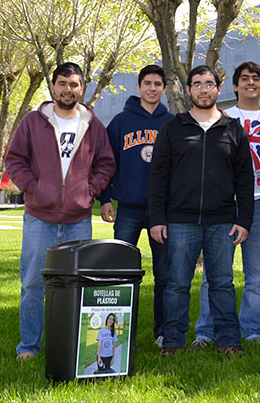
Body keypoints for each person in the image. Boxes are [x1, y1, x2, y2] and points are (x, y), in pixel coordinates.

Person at [4, 62, 117, 360]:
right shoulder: (33, 122)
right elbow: (14, 159)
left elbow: (106, 164)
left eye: (74, 84)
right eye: (63, 83)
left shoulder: (93, 125)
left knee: (77, 284)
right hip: (39, 217)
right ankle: (28, 346)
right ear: (53, 87)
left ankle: (72, 345)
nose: (69, 89)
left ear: (82, 88)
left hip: (79, 219)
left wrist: (89, 190)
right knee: (32, 283)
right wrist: (34, 187)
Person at [148, 65, 254, 357]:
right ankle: (172, 343)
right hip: (180, 221)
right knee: (176, 285)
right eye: (197, 84)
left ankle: (228, 342)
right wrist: (157, 218)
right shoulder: (173, 128)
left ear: (219, 90)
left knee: (222, 284)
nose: (203, 89)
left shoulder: (232, 129)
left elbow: (245, 178)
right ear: (188, 90)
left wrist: (244, 219)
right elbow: (158, 176)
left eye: (209, 84)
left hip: (222, 221)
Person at [194, 62, 260, 347]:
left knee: (257, 274)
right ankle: (206, 331)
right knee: (214, 274)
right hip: (224, 205)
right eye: (244, 79)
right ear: (233, 86)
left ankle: (251, 330)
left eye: (256, 79)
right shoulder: (222, 118)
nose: (250, 83)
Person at [100, 64, 174, 347]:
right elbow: (107, 163)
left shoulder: (171, 123)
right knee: (120, 273)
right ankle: (117, 331)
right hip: (128, 208)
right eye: (147, 83)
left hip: (162, 211)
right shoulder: (121, 122)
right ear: (138, 87)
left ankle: (164, 331)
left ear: (164, 88)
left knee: (164, 275)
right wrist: (105, 198)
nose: (152, 88)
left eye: (157, 83)